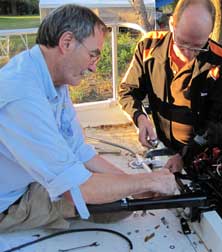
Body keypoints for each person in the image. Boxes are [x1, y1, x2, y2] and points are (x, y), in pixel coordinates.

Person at [0, 4, 177, 232]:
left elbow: (79, 151)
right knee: (116, 208)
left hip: (23, 182)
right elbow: (79, 189)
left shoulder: (49, 76)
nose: (94, 67)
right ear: (66, 43)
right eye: (93, 54)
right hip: (9, 204)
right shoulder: (23, 94)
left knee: (120, 194)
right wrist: (146, 181)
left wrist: (132, 185)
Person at [119, 0, 222, 172]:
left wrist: (187, 155)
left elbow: (220, 122)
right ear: (172, 24)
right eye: (181, 43)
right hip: (162, 144)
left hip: (200, 152)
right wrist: (140, 118)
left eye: (198, 47)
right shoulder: (149, 46)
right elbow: (128, 91)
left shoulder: (221, 63)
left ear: (209, 34)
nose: (187, 53)